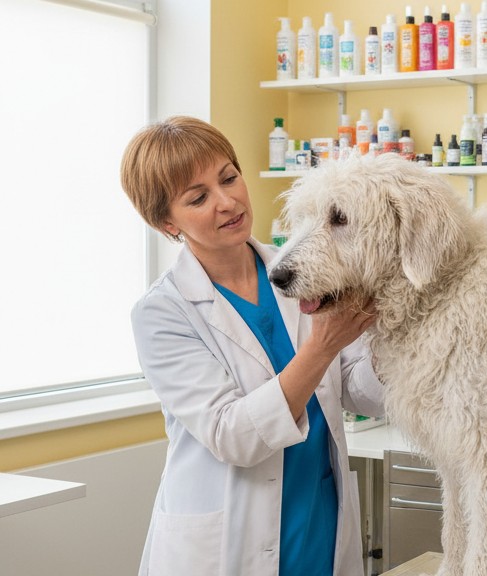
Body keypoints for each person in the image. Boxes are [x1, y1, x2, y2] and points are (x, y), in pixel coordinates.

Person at [120, 116, 383, 576]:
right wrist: (320, 349)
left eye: (229, 177)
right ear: (166, 221)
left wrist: (406, 338)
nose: (227, 202)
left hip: (317, 521)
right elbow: (233, 436)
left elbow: (361, 391)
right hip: (227, 547)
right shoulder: (162, 313)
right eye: (198, 197)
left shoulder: (302, 271)